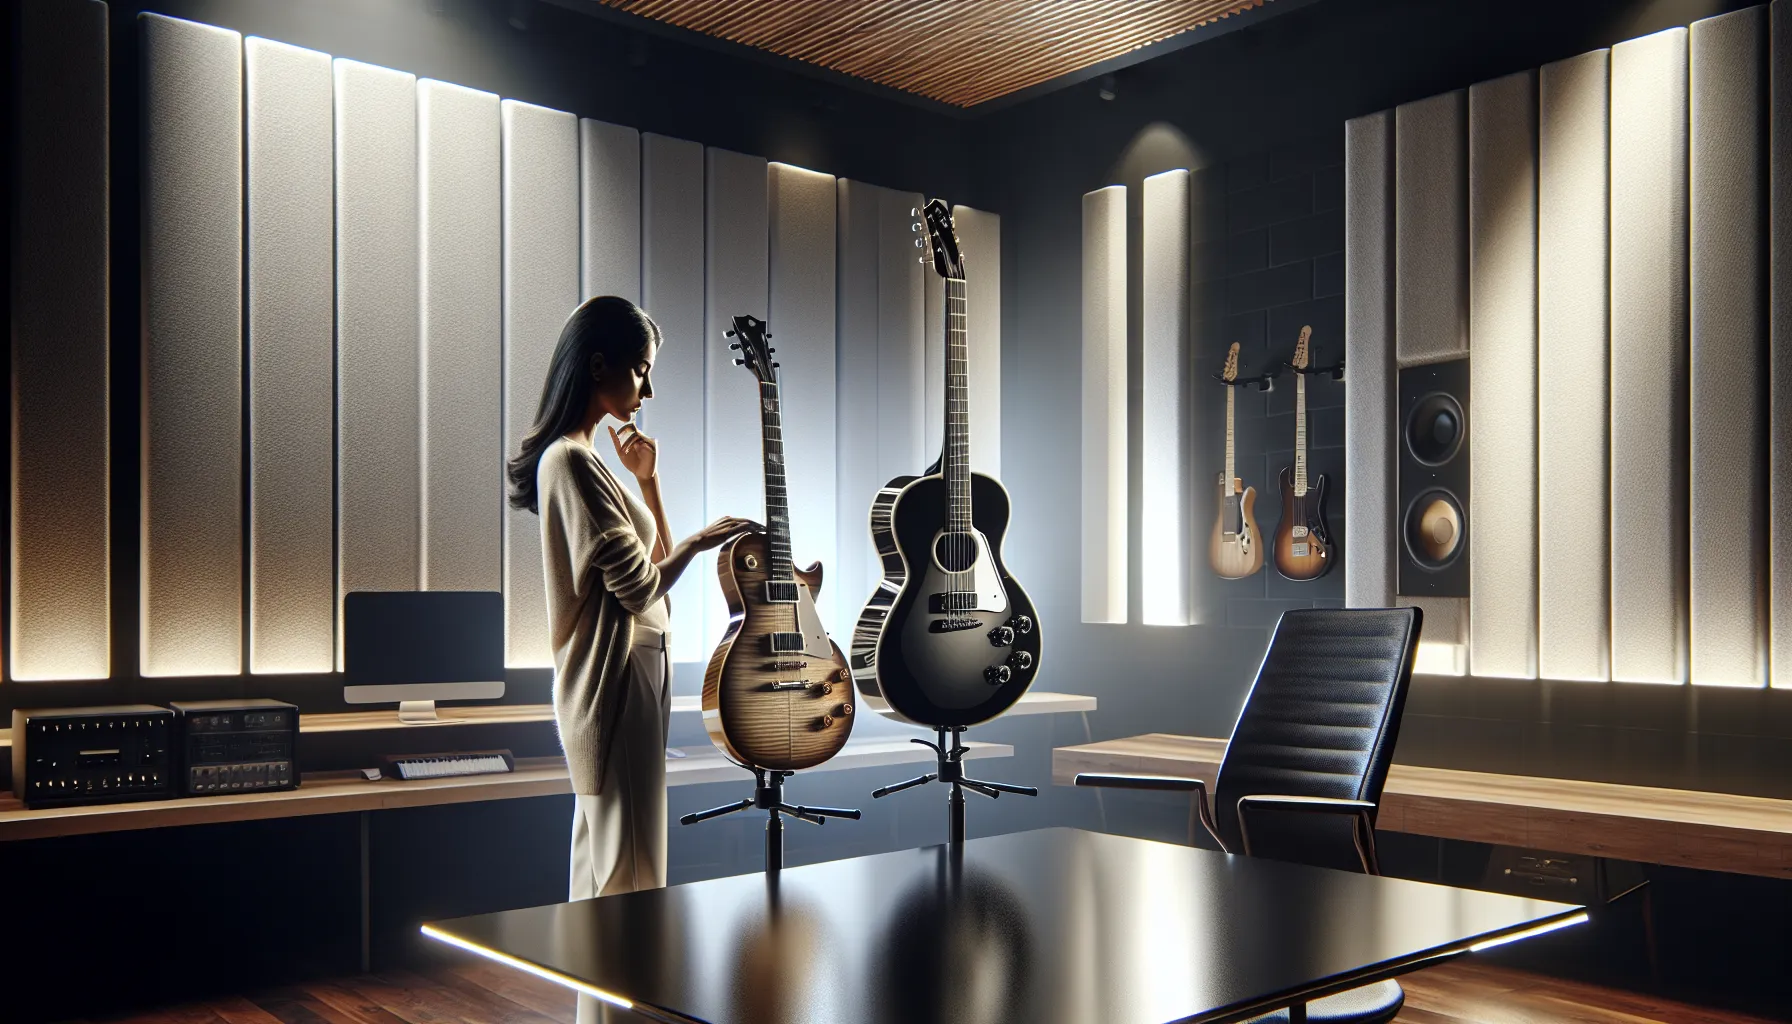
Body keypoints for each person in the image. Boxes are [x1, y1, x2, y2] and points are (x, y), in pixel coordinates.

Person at [506, 296, 752, 1022]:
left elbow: (651, 568)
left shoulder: (584, 462)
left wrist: (648, 481)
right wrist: (703, 543)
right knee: (632, 876)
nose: (648, 388)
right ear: (599, 365)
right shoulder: (571, 463)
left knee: (606, 868)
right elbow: (643, 585)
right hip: (620, 681)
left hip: (630, 674)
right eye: (641, 370)